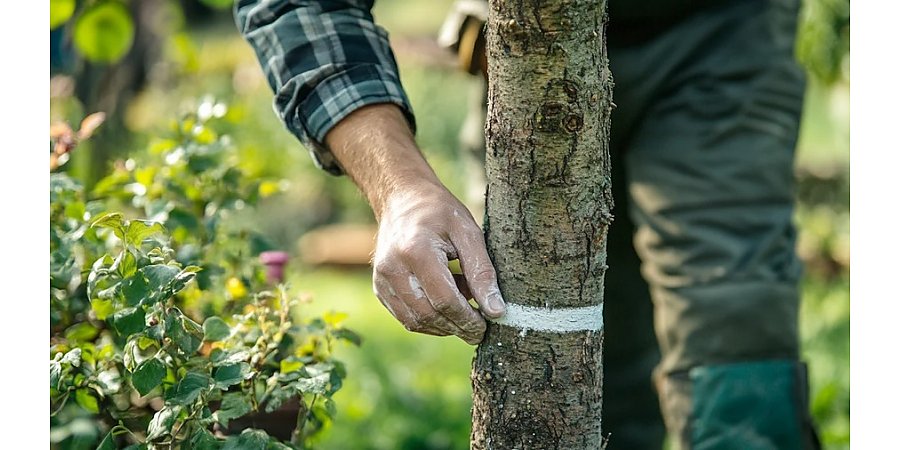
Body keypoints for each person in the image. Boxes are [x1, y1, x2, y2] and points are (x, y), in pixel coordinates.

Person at [235, 0, 820, 448]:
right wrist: (401, 189)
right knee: (572, 349)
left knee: (734, 320)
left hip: (715, 31)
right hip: (526, 54)